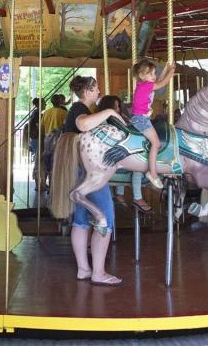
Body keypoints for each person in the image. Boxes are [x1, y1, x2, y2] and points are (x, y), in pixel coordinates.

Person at [65, 75, 123, 286]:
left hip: (79, 171)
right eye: (96, 88)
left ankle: (84, 269)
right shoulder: (79, 110)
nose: (99, 92)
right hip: (91, 172)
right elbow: (82, 125)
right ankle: (98, 272)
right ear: (88, 91)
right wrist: (109, 112)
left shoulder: (83, 109)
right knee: (104, 218)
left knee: (81, 221)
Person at [130, 59, 174, 189]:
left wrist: (165, 68)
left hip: (141, 118)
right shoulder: (147, 85)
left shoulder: (143, 84)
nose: (153, 76)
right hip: (141, 119)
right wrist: (171, 72)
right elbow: (163, 82)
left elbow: (159, 80)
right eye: (151, 74)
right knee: (156, 143)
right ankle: (153, 173)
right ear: (143, 76)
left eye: (154, 73)